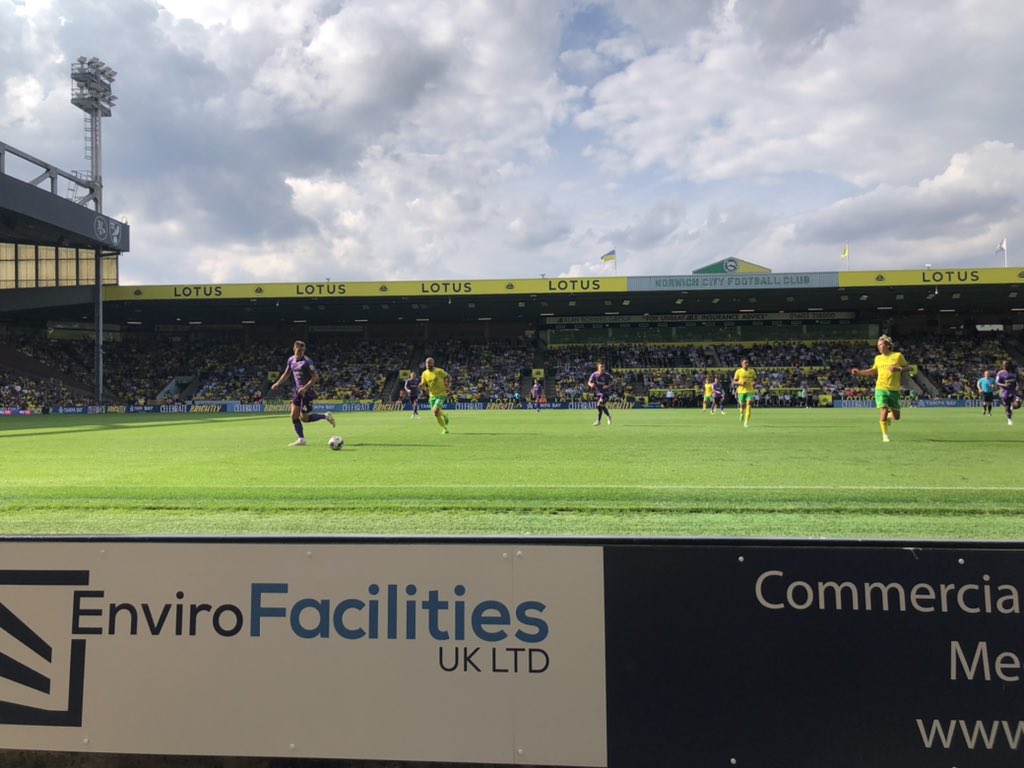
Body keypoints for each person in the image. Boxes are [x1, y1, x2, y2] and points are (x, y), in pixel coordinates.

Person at [270, 340, 335, 446]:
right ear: (294, 349)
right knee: (293, 415)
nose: (301, 353)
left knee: (305, 418)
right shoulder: (291, 360)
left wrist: (305, 388)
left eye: (303, 351)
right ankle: (301, 439)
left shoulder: (307, 362)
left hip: (307, 392)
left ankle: (325, 416)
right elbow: (286, 374)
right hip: (298, 391)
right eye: (299, 350)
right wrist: (277, 383)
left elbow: (315, 377)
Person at [850, 335, 911, 443]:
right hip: (880, 388)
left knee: (896, 416)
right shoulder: (878, 358)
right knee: (883, 409)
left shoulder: (897, 356)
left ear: (887, 345)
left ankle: (888, 417)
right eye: (878, 345)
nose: (879, 347)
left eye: (881, 345)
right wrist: (860, 372)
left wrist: (898, 368)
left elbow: (909, 368)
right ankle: (885, 436)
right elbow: (873, 370)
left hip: (894, 390)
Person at [420, 357, 452, 434]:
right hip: (432, 395)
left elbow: (449, 377)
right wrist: (421, 385)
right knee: (435, 414)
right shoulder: (424, 373)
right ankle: (445, 428)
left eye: (429, 362)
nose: (428, 364)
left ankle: (444, 415)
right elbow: (423, 383)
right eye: (426, 363)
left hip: (441, 394)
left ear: (433, 363)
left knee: (435, 410)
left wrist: (447, 386)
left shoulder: (439, 371)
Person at [587, 361, 613, 426]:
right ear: (598, 367)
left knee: (599, 405)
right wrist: (591, 385)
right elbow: (589, 382)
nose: (602, 368)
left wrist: (608, 386)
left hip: (606, 393)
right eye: (601, 367)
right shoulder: (594, 374)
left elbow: (613, 381)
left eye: (603, 367)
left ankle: (599, 421)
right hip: (598, 393)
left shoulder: (607, 375)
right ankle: (609, 416)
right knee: (601, 406)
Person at [732, 358, 756, 428]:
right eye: (745, 363)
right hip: (741, 391)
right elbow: (734, 382)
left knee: (748, 405)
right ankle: (741, 413)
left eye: (747, 363)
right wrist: (740, 383)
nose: (747, 364)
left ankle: (746, 422)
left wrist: (754, 383)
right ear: (742, 364)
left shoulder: (752, 371)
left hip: (749, 390)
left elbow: (755, 380)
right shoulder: (738, 371)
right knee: (742, 406)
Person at [995, 359, 1019, 426]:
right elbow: (997, 382)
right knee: (1007, 408)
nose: (1004, 366)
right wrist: (1004, 385)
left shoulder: (1014, 372)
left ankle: (1013, 407)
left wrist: (1018, 386)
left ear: (1009, 365)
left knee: (1018, 403)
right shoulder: (1000, 373)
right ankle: (1009, 419)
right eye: (1003, 364)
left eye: (1006, 364)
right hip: (1004, 392)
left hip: (1013, 391)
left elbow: (1018, 381)